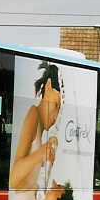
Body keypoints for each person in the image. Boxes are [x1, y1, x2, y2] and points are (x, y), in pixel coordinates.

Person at [10, 62, 62, 190]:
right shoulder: (34, 114)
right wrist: (39, 155)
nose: (55, 118)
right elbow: (12, 180)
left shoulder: (40, 129)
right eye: (55, 106)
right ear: (48, 86)